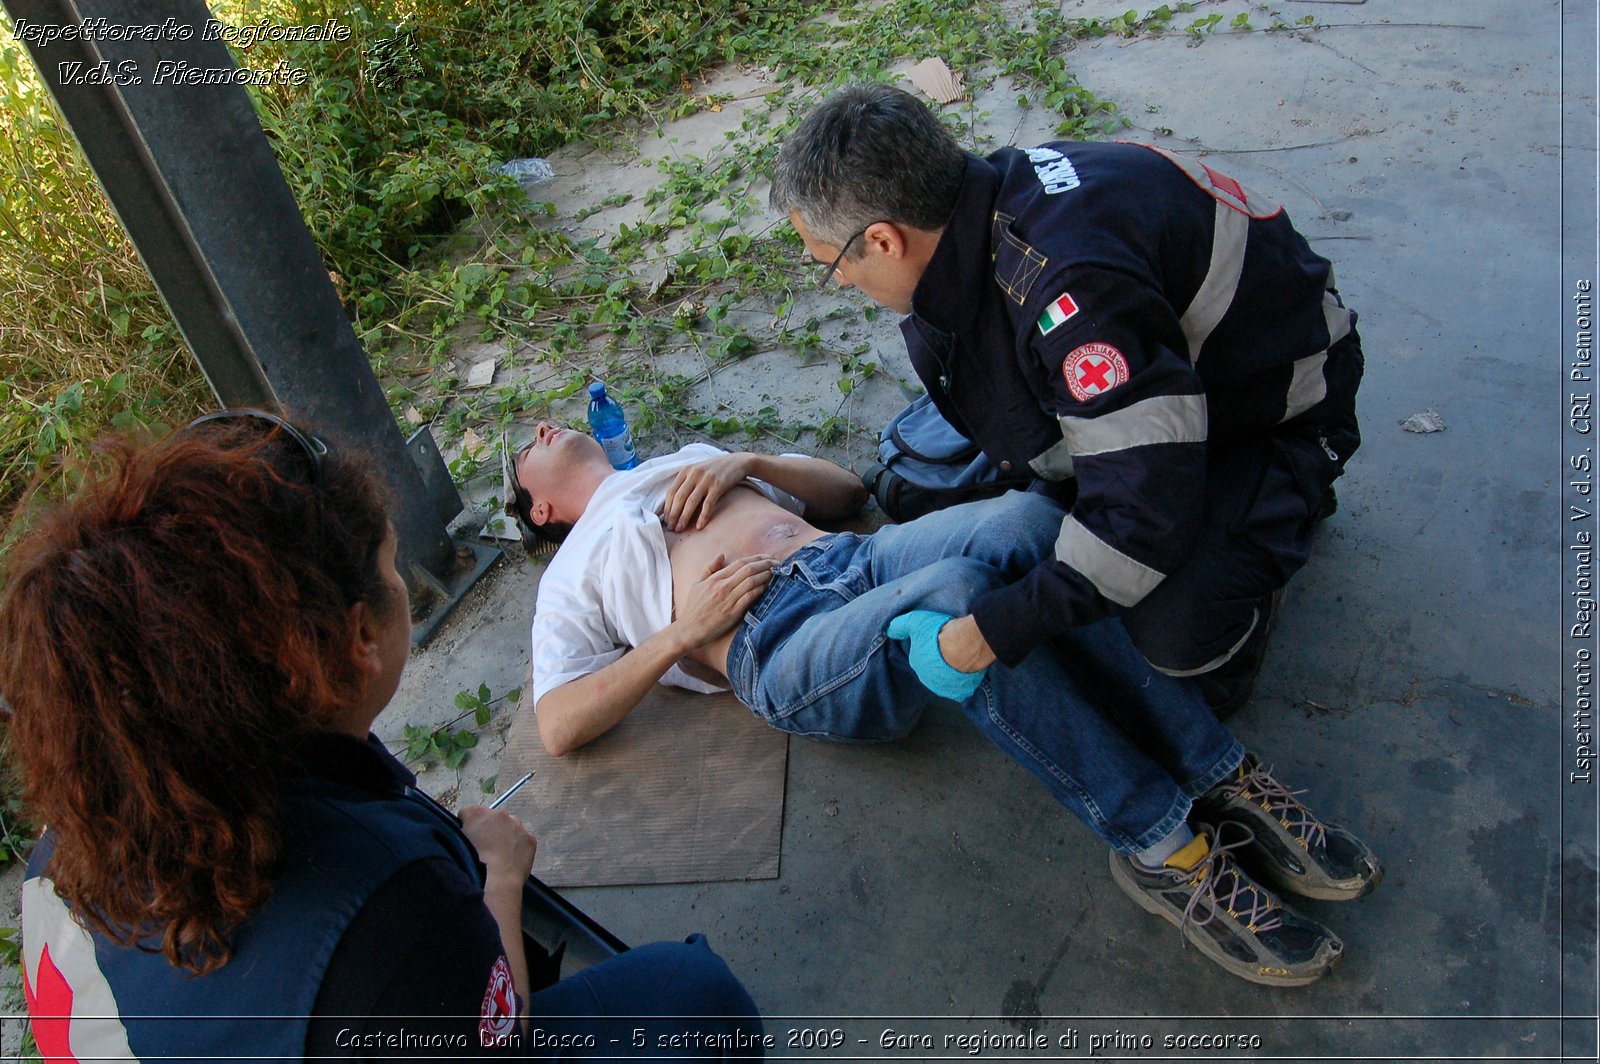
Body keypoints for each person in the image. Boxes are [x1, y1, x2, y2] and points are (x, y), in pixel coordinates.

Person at [0, 410, 763, 1060]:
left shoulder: (77, 833)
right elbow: (495, 1036)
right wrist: (495, 880)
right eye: (393, 567)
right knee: (692, 999)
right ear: (359, 634)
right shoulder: (388, 908)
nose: (400, 580)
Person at [510, 424, 1381, 987]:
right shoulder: (568, 574)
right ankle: (1160, 842)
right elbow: (558, 725)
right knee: (960, 605)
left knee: (1029, 525)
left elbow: (849, 495)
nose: (543, 427)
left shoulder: (674, 458)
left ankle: (1219, 773)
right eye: (525, 447)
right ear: (541, 507)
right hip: (777, 639)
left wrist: (747, 462)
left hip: (858, 557)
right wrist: (675, 637)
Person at [768, 84, 1366, 716]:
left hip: (1266, 410)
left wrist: (986, 636)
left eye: (831, 263)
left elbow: (1142, 515)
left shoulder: (1075, 296)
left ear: (885, 240)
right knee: (921, 489)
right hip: (1167, 379)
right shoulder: (983, 200)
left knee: (1173, 641)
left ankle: (1276, 517)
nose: (839, 280)